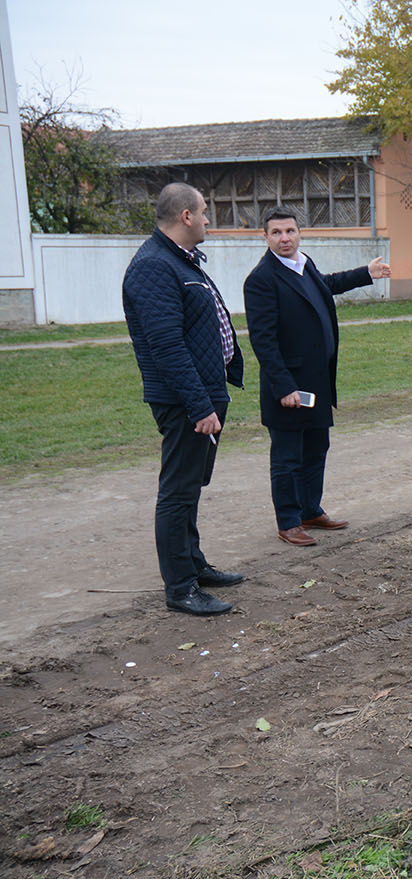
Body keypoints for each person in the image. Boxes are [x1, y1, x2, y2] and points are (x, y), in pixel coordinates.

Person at [122, 183, 245, 616]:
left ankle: (194, 565)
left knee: (191, 485)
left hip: (204, 393)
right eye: (205, 211)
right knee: (177, 491)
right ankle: (180, 588)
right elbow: (167, 347)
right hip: (184, 401)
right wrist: (199, 405)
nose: (209, 219)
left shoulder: (179, 260)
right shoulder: (155, 267)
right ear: (186, 216)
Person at [243, 208, 391, 546]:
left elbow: (326, 286)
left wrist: (365, 273)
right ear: (265, 237)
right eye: (277, 233)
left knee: (316, 448)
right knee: (287, 456)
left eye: (290, 231)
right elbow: (263, 341)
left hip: (317, 381)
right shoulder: (261, 279)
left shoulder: (303, 264)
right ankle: (289, 521)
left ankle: (310, 510)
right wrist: (283, 386)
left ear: (300, 233)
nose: (284, 238)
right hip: (289, 388)